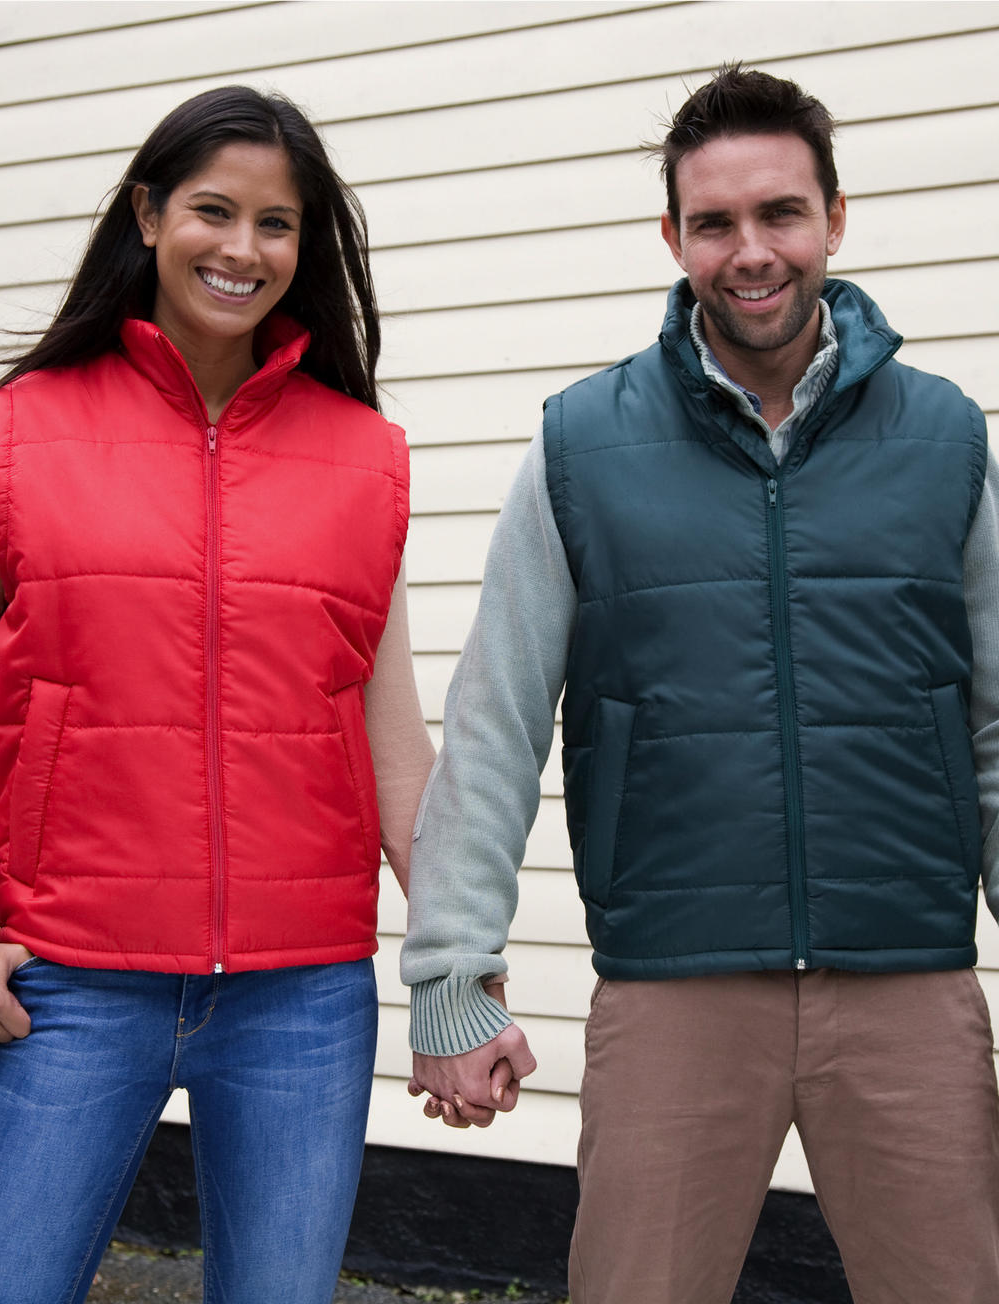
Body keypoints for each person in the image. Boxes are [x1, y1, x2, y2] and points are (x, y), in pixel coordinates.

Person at [401, 64, 999, 1303]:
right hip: (673, 987)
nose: (751, 251)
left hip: (905, 983)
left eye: (780, 213)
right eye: (715, 222)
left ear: (835, 219)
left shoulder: (945, 439)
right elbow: (496, 719)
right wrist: (451, 974)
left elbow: (994, 725)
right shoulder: (581, 445)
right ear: (673, 238)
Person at [0, 85, 434, 1304]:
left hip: (302, 997)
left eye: (276, 223)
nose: (243, 248)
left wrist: (458, 968)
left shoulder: (362, 456)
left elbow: (390, 739)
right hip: (71, 978)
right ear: (147, 213)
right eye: (213, 211)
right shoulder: (16, 433)